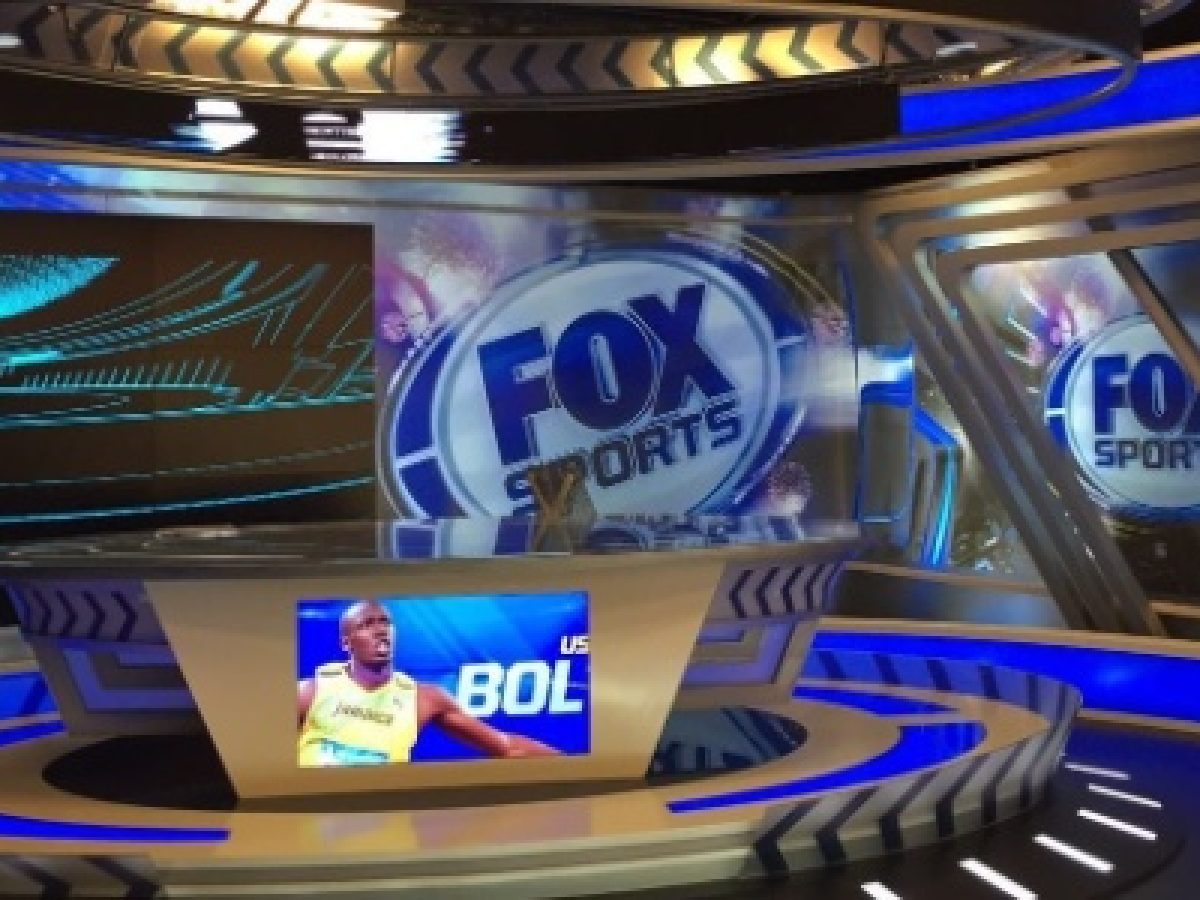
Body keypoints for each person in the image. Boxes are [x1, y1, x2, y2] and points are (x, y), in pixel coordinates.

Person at [297, 600, 557, 766]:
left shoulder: (424, 698)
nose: (380, 630)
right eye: (367, 624)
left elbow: (506, 747)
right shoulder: (310, 691)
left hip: (385, 823)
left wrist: (569, 766)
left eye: (385, 623)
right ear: (346, 642)